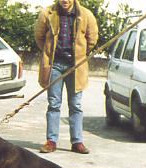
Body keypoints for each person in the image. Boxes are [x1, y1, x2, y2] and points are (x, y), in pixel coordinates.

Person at [34, 0, 98, 154]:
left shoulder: (86, 15)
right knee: (54, 104)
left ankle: (77, 142)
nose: (65, 0)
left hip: (75, 67)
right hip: (54, 65)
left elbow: (92, 39)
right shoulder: (46, 14)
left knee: (75, 105)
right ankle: (51, 141)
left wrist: (80, 54)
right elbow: (39, 37)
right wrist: (48, 53)